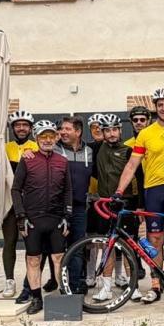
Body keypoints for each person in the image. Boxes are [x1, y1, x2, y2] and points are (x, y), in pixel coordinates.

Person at [114, 88, 164, 304]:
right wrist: (119, 190)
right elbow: (132, 164)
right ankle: (156, 284)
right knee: (155, 239)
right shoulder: (145, 134)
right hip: (154, 190)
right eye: (160, 105)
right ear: (156, 108)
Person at [11, 120, 73, 315]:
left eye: (50, 136)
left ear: (56, 138)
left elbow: (68, 190)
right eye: (42, 137)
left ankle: (62, 298)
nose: (47, 140)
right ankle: (36, 299)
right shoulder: (27, 159)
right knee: (33, 260)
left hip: (55, 218)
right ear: (36, 139)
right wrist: (21, 216)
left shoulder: (62, 161)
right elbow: (15, 189)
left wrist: (67, 215)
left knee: (58, 258)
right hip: (33, 219)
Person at [91, 114, 142, 302]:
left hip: (125, 204)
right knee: (107, 246)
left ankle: (133, 285)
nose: (111, 134)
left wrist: (139, 206)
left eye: (114, 129)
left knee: (130, 245)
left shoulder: (129, 151)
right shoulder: (97, 149)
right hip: (105, 203)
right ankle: (106, 288)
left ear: (120, 130)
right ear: (102, 132)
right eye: (107, 130)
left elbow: (140, 179)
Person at [56, 116, 95, 294]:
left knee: (78, 247)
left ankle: (76, 284)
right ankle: (57, 285)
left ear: (78, 132)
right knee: (56, 249)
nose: (62, 132)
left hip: (80, 208)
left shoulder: (89, 151)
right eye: (61, 129)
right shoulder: (55, 150)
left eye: (67, 129)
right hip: (58, 207)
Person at [2, 110, 37, 298]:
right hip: (9, 201)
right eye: (17, 125)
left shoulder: (37, 146)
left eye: (25, 125)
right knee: (9, 241)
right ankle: (9, 281)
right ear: (12, 128)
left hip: (30, 202)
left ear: (31, 128)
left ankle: (29, 281)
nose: (21, 128)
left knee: (31, 244)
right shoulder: (4, 147)